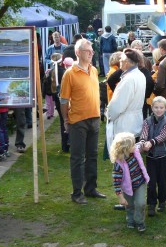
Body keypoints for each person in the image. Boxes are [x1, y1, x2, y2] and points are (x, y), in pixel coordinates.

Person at [60, 39, 105, 204]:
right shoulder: (70, 74)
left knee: (92, 155)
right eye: (88, 50)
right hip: (78, 121)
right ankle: (77, 192)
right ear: (78, 53)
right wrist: (66, 119)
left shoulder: (93, 70)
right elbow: (64, 100)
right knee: (78, 158)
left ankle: (91, 188)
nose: (91, 53)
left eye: (92, 50)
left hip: (94, 118)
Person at [106, 48, 146, 149]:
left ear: (127, 62)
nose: (119, 61)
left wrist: (109, 114)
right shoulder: (139, 75)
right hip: (134, 121)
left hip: (125, 125)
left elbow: (117, 106)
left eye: (121, 60)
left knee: (123, 158)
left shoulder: (128, 79)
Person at [110, 132, 149, 233]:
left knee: (140, 203)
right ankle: (130, 219)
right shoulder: (118, 164)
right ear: (125, 148)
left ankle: (139, 221)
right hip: (127, 187)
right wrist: (121, 198)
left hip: (140, 182)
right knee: (129, 205)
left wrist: (145, 143)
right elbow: (116, 183)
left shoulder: (135, 151)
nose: (134, 145)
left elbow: (139, 145)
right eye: (132, 144)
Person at [139, 96, 166, 216]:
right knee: (151, 181)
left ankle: (162, 200)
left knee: (162, 180)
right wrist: (143, 142)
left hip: (163, 156)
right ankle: (151, 204)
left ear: (165, 108)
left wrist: (151, 142)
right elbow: (144, 134)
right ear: (152, 107)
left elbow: (163, 136)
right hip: (151, 156)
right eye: (156, 107)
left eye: (161, 108)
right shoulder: (147, 121)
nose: (158, 110)